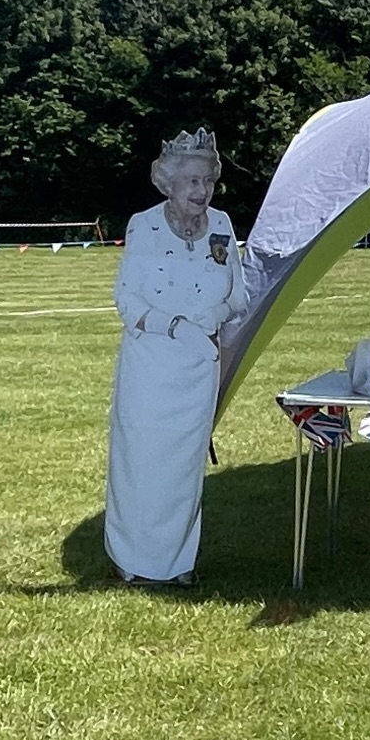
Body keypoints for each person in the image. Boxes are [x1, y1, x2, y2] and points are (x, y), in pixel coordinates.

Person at [105, 128, 248, 585]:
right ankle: (133, 561)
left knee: (184, 468)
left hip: (198, 369)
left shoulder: (222, 225)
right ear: (169, 183)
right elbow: (127, 299)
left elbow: (240, 295)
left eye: (208, 181)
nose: (202, 191)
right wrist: (175, 327)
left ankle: (177, 563)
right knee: (142, 463)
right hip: (150, 367)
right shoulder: (143, 225)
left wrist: (215, 314)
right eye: (192, 181)